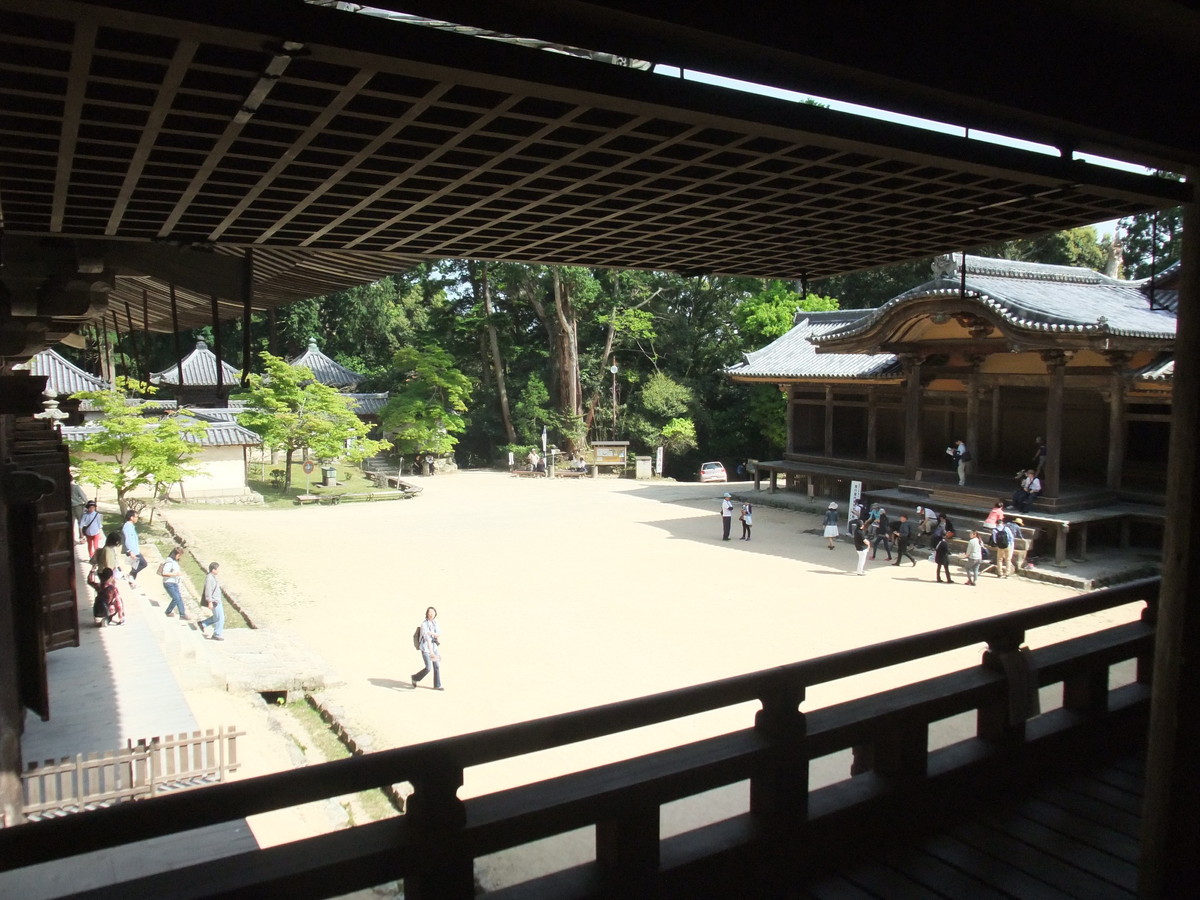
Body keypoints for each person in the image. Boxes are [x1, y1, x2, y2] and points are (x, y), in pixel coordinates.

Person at [411, 606, 443, 690]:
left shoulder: (435, 623)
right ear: (427, 614)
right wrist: (431, 652)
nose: (431, 614)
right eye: (429, 612)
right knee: (428, 667)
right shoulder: (424, 624)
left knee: (436, 666)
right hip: (426, 648)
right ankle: (415, 678)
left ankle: (437, 685)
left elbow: (439, 634)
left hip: (434, 648)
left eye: (433, 612)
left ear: (435, 613)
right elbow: (427, 639)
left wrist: (431, 633)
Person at [198, 561, 225, 641]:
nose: (219, 571)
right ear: (213, 570)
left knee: (217, 617)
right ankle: (217, 634)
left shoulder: (212, 577)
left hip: (216, 600)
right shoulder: (210, 578)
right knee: (221, 618)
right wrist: (210, 602)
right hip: (214, 601)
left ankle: (203, 624)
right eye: (218, 569)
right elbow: (208, 590)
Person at [160, 547, 188, 619]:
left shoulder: (174, 562)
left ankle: (182, 614)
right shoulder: (169, 562)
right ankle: (168, 611)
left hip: (174, 582)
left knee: (179, 598)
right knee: (176, 598)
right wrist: (176, 574)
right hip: (168, 583)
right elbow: (164, 573)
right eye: (179, 555)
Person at [121, 510, 148, 585]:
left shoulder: (131, 526)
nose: (137, 519)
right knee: (143, 564)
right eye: (136, 517)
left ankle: (131, 583)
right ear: (131, 517)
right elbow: (128, 540)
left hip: (135, 550)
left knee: (135, 567)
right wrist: (130, 552)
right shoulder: (127, 527)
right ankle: (129, 576)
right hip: (133, 552)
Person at [70, 475, 89, 545]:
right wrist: (88, 505)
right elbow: (83, 496)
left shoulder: (64, 488)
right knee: (80, 523)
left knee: (71, 524)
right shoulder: (75, 487)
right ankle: (81, 537)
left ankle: (72, 540)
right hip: (78, 506)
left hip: (69, 507)